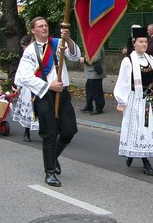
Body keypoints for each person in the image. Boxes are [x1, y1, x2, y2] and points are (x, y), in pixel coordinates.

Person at [14, 17, 81, 187]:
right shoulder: (29, 51)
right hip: (44, 95)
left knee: (69, 130)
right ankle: (49, 172)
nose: (44, 28)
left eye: (46, 25)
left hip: (63, 93)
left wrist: (68, 39)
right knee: (49, 134)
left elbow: (74, 56)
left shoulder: (58, 43)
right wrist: (49, 86)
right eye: (40, 26)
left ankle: (54, 157)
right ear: (33, 30)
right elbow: (25, 77)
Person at [113, 26, 153, 176]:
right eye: (141, 42)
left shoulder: (151, 59)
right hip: (135, 100)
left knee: (148, 129)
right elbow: (122, 82)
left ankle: (136, 154)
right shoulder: (128, 61)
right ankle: (145, 162)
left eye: (145, 42)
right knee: (138, 129)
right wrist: (121, 101)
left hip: (149, 99)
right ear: (134, 43)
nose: (144, 44)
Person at [12, 34, 38, 142]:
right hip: (28, 86)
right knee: (29, 109)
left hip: (40, 83)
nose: (24, 49)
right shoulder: (25, 56)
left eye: (24, 46)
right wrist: (18, 85)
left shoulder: (41, 52)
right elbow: (21, 71)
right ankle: (27, 131)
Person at [80, 46, 106, 115]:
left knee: (96, 90)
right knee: (89, 88)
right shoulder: (93, 44)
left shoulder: (97, 44)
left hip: (95, 72)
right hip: (92, 72)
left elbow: (95, 58)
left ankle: (99, 108)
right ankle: (89, 106)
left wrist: (84, 60)